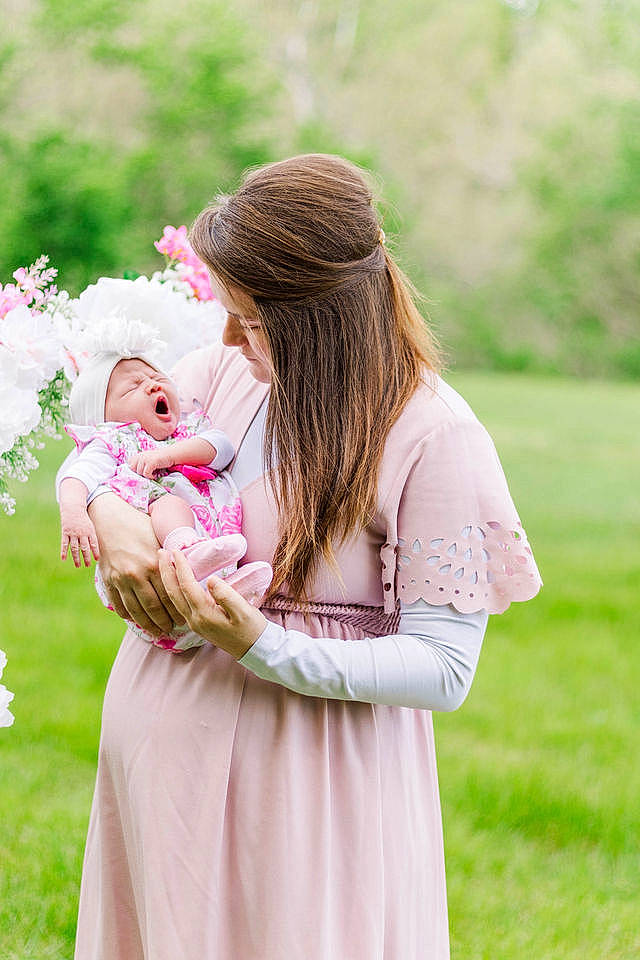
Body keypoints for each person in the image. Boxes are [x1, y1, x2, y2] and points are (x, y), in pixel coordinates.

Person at [73, 154, 542, 959]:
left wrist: (263, 646)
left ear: (317, 318)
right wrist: (110, 518)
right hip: (164, 771)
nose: (224, 335)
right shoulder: (224, 374)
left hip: (306, 790)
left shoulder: (433, 436)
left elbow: (444, 667)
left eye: (250, 318)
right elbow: (106, 447)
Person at [58, 352, 272, 651]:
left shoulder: (188, 430)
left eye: (158, 378)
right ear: (102, 416)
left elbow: (222, 448)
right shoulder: (114, 440)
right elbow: (77, 476)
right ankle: (187, 551)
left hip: (209, 535)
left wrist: (171, 455)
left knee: (215, 548)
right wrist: (73, 512)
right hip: (155, 558)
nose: (152, 386)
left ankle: (227, 591)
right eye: (132, 388)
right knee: (169, 505)